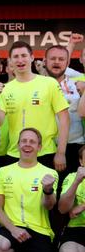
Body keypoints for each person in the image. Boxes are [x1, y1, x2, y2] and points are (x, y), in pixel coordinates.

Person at [0, 128, 58, 252]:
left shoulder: (49, 173)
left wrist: (48, 190)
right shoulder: (3, 171)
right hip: (13, 228)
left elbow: (49, 205)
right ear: (18, 145)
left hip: (40, 231)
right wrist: (13, 229)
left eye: (32, 142)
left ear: (39, 147)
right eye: (24, 141)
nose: (27, 145)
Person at [0, 41, 69, 172]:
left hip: (45, 153)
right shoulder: (6, 89)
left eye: (24, 55)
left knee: (47, 192)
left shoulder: (49, 83)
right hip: (15, 154)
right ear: (10, 61)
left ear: (32, 57)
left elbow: (65, 119)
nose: (20, 60)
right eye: (16, 57)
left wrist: (61, 152)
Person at [44, 44, 83, 175]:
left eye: (61, 59)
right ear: (45, 61)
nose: (56, 62)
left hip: (75, 147)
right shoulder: (35, 85)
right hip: (45, 149)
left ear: (67, 62)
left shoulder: (78, 84)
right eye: (53, 58)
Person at [57, 146, 85, 252]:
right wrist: (76, 182)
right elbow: (62, 209)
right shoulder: (72, 177)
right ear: (81, 161)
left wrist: (83, 206)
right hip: (76, 229)